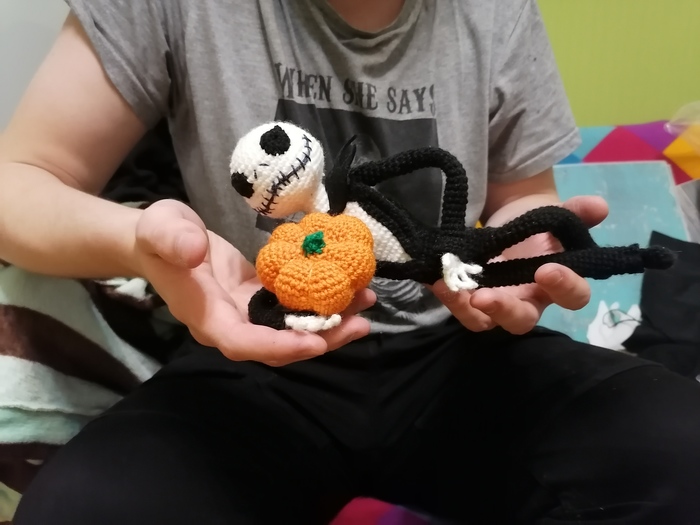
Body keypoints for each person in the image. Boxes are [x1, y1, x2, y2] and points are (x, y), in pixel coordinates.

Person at [2, 1, 700, 523]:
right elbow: (19, 181)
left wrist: (522, 247)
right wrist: (139, 239)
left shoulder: (497, 12)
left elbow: (525, 196)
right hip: (255, 358)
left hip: (460, 353)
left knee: (677, 448)